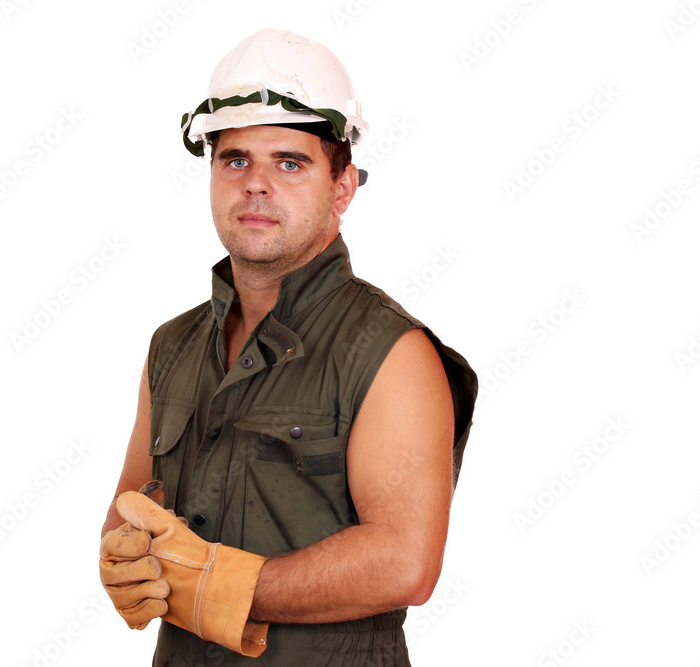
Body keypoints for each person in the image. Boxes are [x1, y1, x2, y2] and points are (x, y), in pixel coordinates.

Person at [99, 28, 477, 666]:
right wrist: (122, 556)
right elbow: (131, 507)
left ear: (343, 187)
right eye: (235, 160)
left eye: (290, 162)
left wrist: (222, 586)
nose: (256, 184)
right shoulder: (173, 346)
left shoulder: (391, 352)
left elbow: (405, 563)